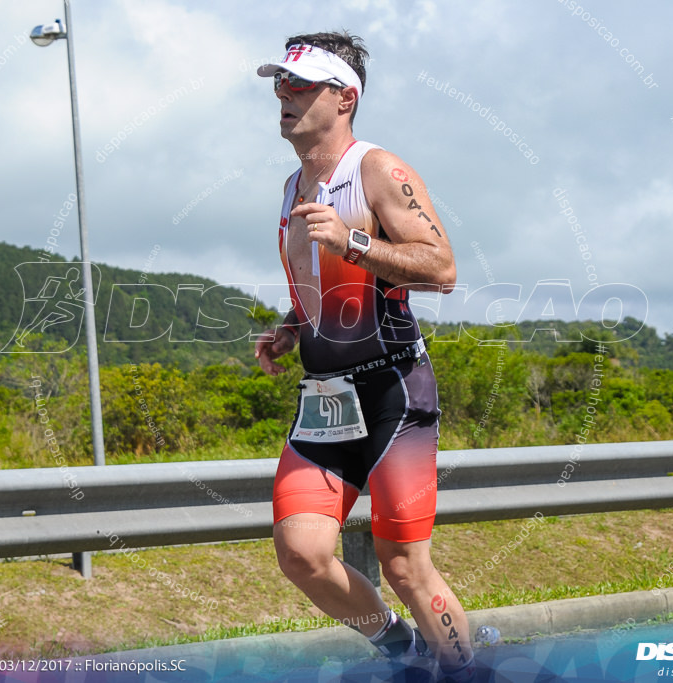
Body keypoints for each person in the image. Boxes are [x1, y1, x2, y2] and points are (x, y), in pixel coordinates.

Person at [253, 31, 475, 682]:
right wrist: (293, 325)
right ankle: (401, 650)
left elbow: (442, 268)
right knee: (302, 552)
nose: (282, 97)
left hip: (392, 392)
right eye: (278, 85)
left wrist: (353, 239)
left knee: (404, 563)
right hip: (324, 395)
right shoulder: (294, 185)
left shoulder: (380, 170)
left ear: (344, 97)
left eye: (299, 85)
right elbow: (326, 288)